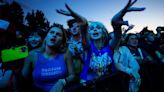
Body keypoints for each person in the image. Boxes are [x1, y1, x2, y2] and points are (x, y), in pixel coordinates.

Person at [22, 23, 75, 92]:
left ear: (62, 41)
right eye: (52, 32)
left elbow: (73, 76)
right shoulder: (32, 54)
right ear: (46, 37)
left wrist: (62, 82)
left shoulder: (66, 54)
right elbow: (24, 78)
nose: (54, 35)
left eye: (58, 34)